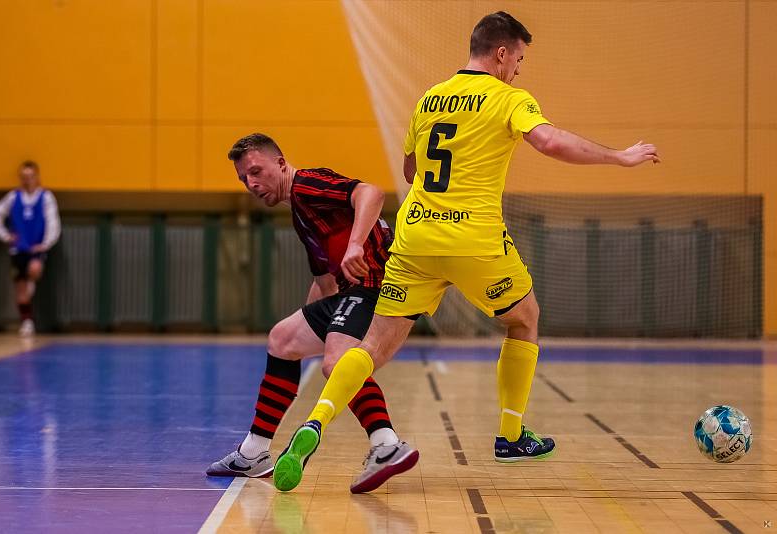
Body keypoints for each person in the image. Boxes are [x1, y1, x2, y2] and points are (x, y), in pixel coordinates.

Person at [274, 11, 660, 491]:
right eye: (518, 58)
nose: (519, 69)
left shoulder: (429, 98)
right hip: (473, 238)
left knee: (371, 345)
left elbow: (413, 169)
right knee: (524, 318)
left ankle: (314, 423)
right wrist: (619, 157)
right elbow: (550, 141)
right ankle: (511, 436)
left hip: (415, 236)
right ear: (501, 53)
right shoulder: (509, 98)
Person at [206, 133, 419, 494]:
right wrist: (310, 326)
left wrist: (355, 244)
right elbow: (324, 283)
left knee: (337, 363)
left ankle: (387, 444)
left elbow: (371, 192)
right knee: (282, 339)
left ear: (282, 164)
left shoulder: (308, 185)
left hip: (378, 286)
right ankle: (255, 452)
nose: (252, 183)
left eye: (256, 171)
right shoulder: (301, 214)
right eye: (244, 179)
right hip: (351, 292)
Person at [0, 160, 61, 336]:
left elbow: (53, 222)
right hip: (18, 248)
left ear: (37, 177)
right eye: (24, 177)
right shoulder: (13, 197)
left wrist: (46, 243)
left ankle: (31, 286)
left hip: (36, 248)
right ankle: (27, 321)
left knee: (34, 270)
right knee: (20, 288)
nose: (27, 180)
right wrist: (6, 236)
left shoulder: (46, 197)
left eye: (30, 176)